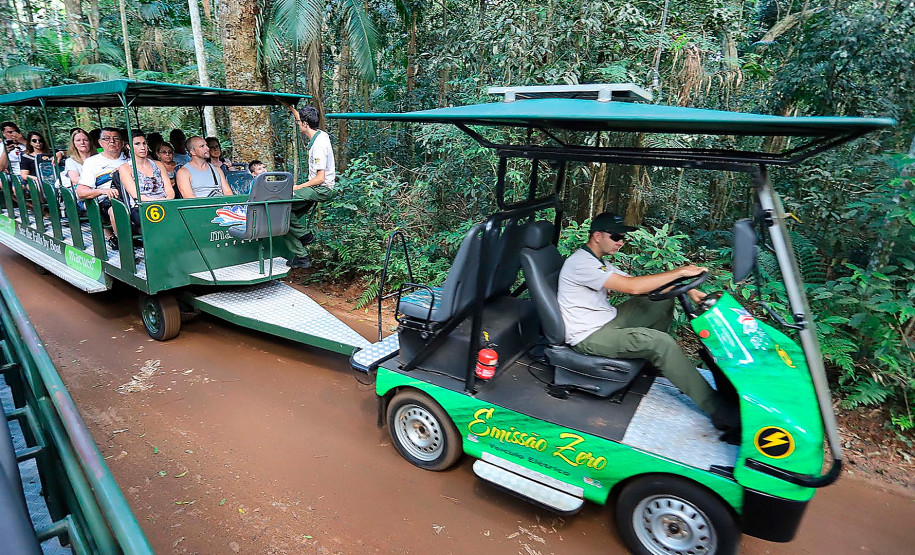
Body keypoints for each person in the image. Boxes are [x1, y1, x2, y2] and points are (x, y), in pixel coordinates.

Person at [557, 212, 739, 437]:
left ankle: (650, 361)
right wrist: (680, 271)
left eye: (623, 238)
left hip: (607, 319)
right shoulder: (580, 263)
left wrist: (688, 288)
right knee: (660, 342)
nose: (621, 242)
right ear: (596, 236)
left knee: (661, 301)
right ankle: (721, 411)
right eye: (616, 237)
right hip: (589, 334)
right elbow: (632, 287)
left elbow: (644, 286)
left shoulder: (599, 262)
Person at [280, 103, 335, 269]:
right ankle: (301, 257)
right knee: (282, 217)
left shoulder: (318, 146)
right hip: (315, 188)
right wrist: (292, 109)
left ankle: (305, 236)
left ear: (305, 124)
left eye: (299, 123)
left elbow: (320, 178)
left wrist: (298, 187)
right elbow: (302, 120)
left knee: (280, 206)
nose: (298, 125)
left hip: (320, 189)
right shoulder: (320, 135)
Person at [76, 127, 127, 250]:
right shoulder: (92, 162)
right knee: (116, 210)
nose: (112, 142)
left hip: (133, 195)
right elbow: (81, 192)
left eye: (116, 139)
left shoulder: (130, 159)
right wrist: (103, 191)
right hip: (108, 200)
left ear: (122, 142)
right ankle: (125, 247)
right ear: (100, 142)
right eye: (107, 139)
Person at [118, 131, 175, 234]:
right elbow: (136, 195)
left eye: (144, 143)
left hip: (165, 203)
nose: (142, 147)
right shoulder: (125, 168)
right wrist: (155, 202)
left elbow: (169, 189)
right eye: (137, 144)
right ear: (129, 146)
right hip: (142, 206)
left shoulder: (158, 164)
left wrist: (166, 200)